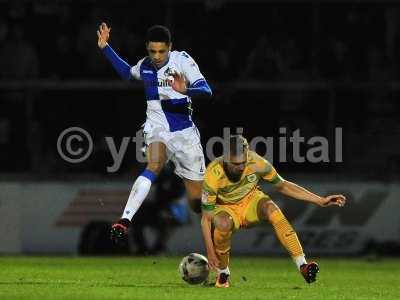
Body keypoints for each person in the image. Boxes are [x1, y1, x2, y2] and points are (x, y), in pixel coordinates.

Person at [96, 23, 212, 242]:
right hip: (157, 128)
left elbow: (207, 91)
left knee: (198, 203)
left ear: (170, 47)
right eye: (152, 51)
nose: (157, 56)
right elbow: (127, 73)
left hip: (184, 134)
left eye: (161, 51)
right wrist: (105, 48)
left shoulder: (183, 60)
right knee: (154, 164)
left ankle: (218, 260)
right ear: (147, 48)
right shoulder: (146, 65)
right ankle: (125, 219)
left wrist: (185, 90)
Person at [201, 135, 346, 288]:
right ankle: (223, 273)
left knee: (272, 208)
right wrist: (210, 253)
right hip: (226, 208)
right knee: (222, 224)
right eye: (236, 163)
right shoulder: (213, 174)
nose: (242, 167)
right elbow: (206, 219)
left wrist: (320, 200)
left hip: (251, 201)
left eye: (244, 162)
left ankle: (302, 265)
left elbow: (283, 185)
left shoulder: (257, 163)